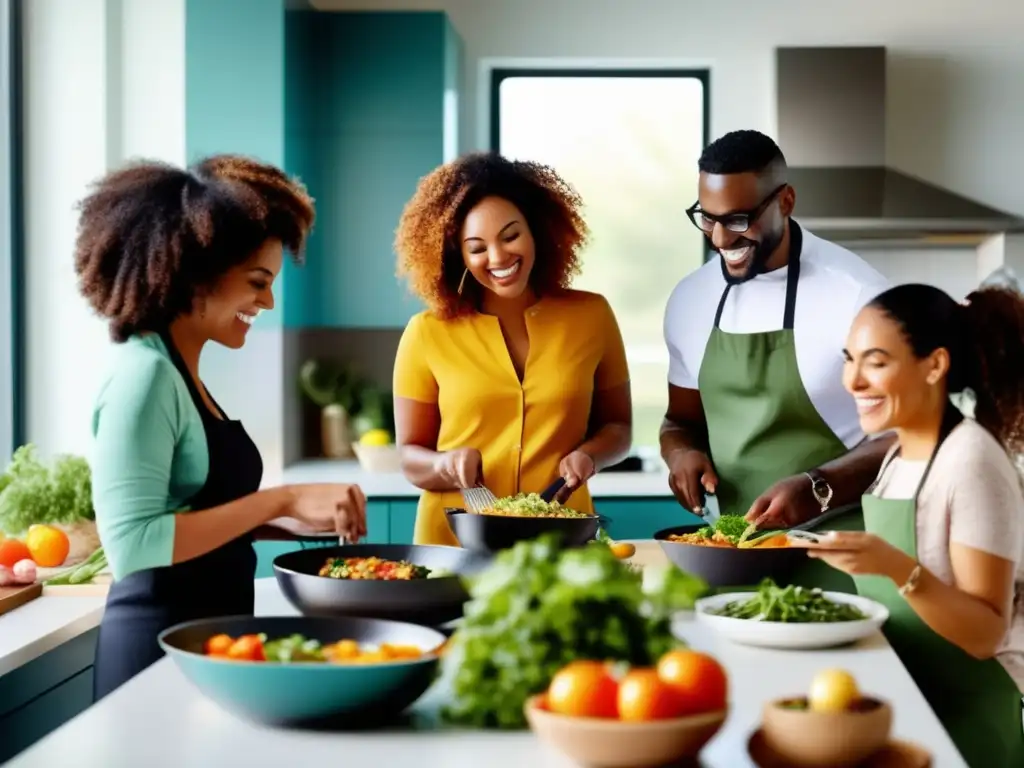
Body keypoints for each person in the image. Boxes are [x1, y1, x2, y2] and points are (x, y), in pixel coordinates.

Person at [76, 155, 368, 699]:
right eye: (258, 282)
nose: (268, 301)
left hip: (210, 647)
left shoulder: (182, 371)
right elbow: (134, 545)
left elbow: (189, 518)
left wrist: (285, 525)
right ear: (197, 270)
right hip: (153, 659)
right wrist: (279, 501)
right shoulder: (143, 376)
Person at [796, 283, 1024, 767]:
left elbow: (986, 632)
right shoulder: (898, 455)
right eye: (849, 359)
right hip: (909, 698)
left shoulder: (971, 461)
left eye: (875, 362)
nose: (852, 381)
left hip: (965, 717)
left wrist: (899, 569)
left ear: (935, 366)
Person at [660, 129, 892, 591]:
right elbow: (678, 421)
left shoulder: (859, 296)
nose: (721, 238)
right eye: (708, 219)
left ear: (785, 201)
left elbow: (910, 436)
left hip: (842, 551)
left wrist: (818, 485)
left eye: (739, 219)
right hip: (733, 552)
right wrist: (681, 454)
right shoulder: (690, 299)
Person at [392, 151, 632, 545]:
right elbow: (410, 457)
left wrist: (590, 455)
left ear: (536, 229)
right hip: (454, 541)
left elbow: (618, 429)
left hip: (559, 536)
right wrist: (445, 464)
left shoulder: (592, 315)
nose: (499, 257)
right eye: (477, 246)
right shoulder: (426, 333)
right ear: (458, 255)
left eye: (510, 235)